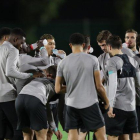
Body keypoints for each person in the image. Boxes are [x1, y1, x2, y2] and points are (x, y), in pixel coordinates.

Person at [55, 33, 109, 140]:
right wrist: (107, 101)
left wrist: (72, 87)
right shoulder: (93, 59)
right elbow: (99, 86)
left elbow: (57, 89)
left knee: (73, 133)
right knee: (100, 131)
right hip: (90, 103)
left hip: (71, 104)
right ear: (84, 44)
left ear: (70, 45)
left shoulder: (62, 63)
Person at [0, 28, 35, 140]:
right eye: (22, 42)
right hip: (7, 94)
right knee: (19, 129)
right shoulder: (12, 50)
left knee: (3, 132)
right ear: (15, 39)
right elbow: (9, 71)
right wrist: (30, 75)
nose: (22, 45)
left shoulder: (1, 48)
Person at [105, 35, 140, 140]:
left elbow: (113, 83)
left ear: (109, 47)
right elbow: (138, 84)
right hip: (131, 107)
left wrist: (110, 105)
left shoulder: (111, 62)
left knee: (112, 136)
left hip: (118, 107)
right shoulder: (133, 60)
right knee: (126, 136)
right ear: (121, 46)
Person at [15, 66, 62, 140]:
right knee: (41, 136)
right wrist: (55, 128)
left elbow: (47, 109)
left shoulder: (37, 80)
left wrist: (55, 129)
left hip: (19, 99)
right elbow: (48, 111)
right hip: (35, 100)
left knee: (27, 134)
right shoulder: (54, 85)